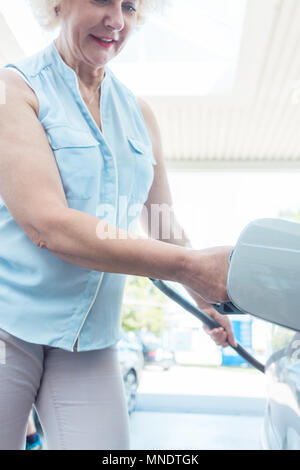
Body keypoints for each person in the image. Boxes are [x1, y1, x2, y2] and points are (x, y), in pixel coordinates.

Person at [0, 0, 236, 450]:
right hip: (8, 325)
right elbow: (49, 225)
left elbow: (161, 222)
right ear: (57, 3)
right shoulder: (13, 89)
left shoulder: (139, 115)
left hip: (90, 337)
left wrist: (205, 300)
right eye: (102, 0)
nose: (117, 20)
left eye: (129, 6)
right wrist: (189, 266)